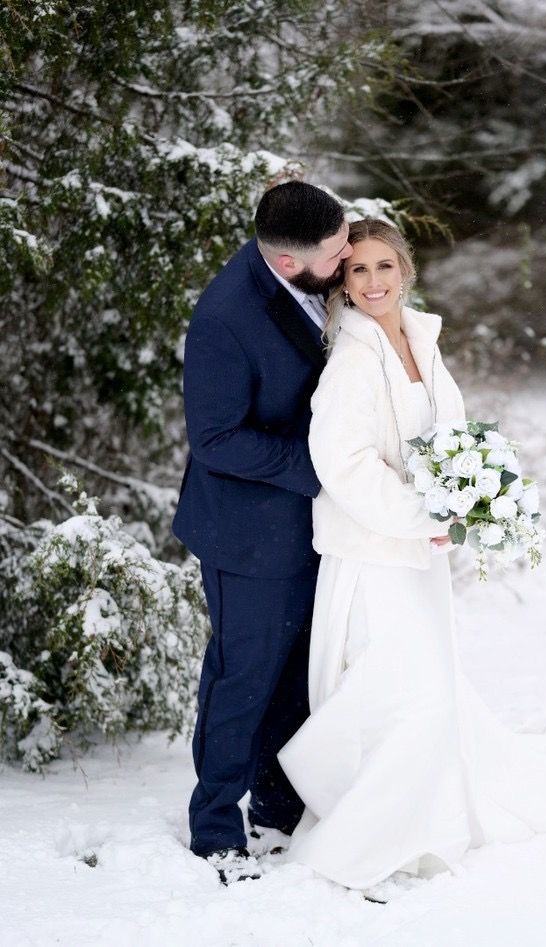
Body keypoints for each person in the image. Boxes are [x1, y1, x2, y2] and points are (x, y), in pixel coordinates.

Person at [277, 218, 546, 891]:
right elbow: (342, 464)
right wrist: (420, 512)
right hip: (375, 553)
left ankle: (420, 810)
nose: (372, 282)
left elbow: (450, 429)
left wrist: (468, 494)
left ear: (405, 270)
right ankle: (367, 839)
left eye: (384, 267)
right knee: (406, 692)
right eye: (358, 270)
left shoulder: (420, 342)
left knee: (430, 686)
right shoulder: (350, 360)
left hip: (421, 553)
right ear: (342, 280)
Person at [172, 181, 352, 884]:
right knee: (241, 679)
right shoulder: (224, 318)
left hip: (312, 530)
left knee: (297, 678)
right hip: (246, 537)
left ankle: (277, 809)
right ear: (286, 263)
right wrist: (320, 468)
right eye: (336, 252)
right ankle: (216, 824)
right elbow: (215, 439)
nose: (347, 258)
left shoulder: (314, 274)